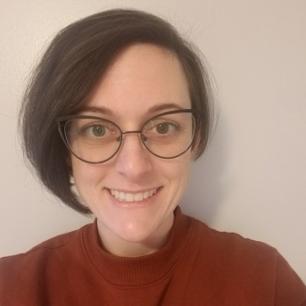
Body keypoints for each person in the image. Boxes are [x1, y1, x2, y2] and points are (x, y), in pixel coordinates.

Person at [0, 8, 305, 306]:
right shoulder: (12, 287)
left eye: (163, 126)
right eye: (96, 129)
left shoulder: (265, 282)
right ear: (64, 149)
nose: (134, 167)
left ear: (195, 137)